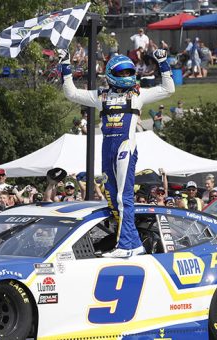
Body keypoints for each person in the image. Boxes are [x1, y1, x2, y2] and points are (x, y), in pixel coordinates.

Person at [58, 45, 174, 257]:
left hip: (125, 149)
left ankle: (126, 246)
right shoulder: (100, 96)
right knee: (112, 197)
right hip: (107, 149)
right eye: (122, 73)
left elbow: (168, 89)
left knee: (123, 197)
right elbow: (71, 93)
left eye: (129, 72)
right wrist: (65, 65)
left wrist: (163, 63)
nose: (127, 76)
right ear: (111, 74)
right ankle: (134, 242)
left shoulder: (137, 94)